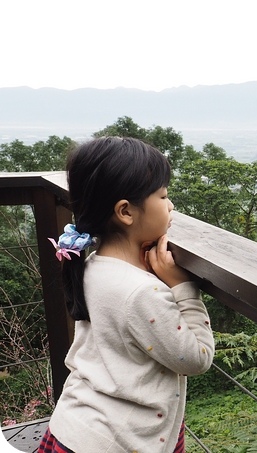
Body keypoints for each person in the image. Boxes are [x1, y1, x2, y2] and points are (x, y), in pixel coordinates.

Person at [38, 136, 214, 453]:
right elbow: (197, 358)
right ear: (126, 212)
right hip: (119, 441)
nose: (171, 205)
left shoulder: (91, 265)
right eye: (163, 196)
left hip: (76, 427)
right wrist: (181, 287)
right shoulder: (142, 292)